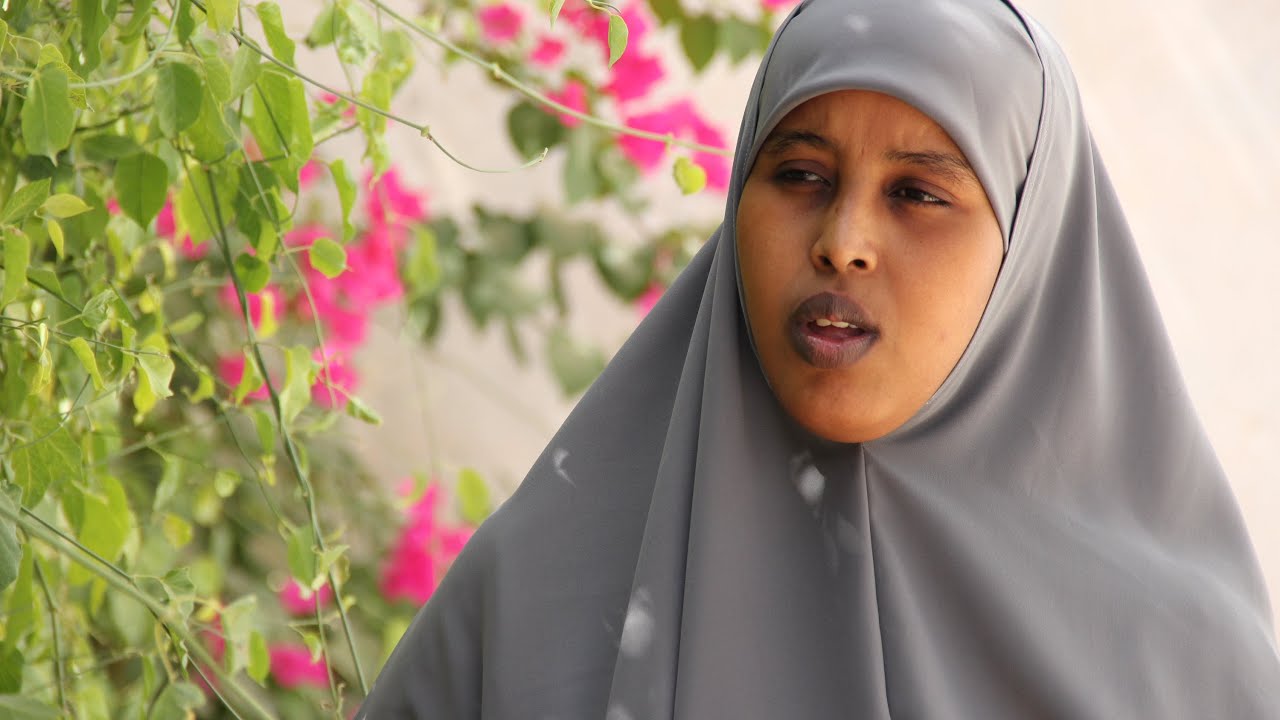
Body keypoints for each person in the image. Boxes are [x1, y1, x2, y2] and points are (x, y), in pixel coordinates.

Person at [357, 0, 1280, 716]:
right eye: (800, 175)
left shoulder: (1183, 673)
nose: (842, 243)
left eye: (918, 194)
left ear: (1030, 250)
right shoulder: (537, 605)